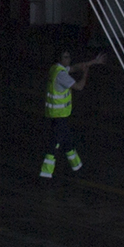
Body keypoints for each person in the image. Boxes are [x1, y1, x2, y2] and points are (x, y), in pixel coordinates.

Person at [36, 35, 103, 179]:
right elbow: (79, 86)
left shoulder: (55, 69)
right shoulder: (61, 75)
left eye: (68, 56)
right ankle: (46, 173)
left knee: (68, 142)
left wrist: (94, 62)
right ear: (60, 59)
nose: (68, 59)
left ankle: (77, 167)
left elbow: (74, 67)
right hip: (58, 115)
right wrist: (86, 73)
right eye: (65, 57)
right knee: (54, 145)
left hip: (58, 115)